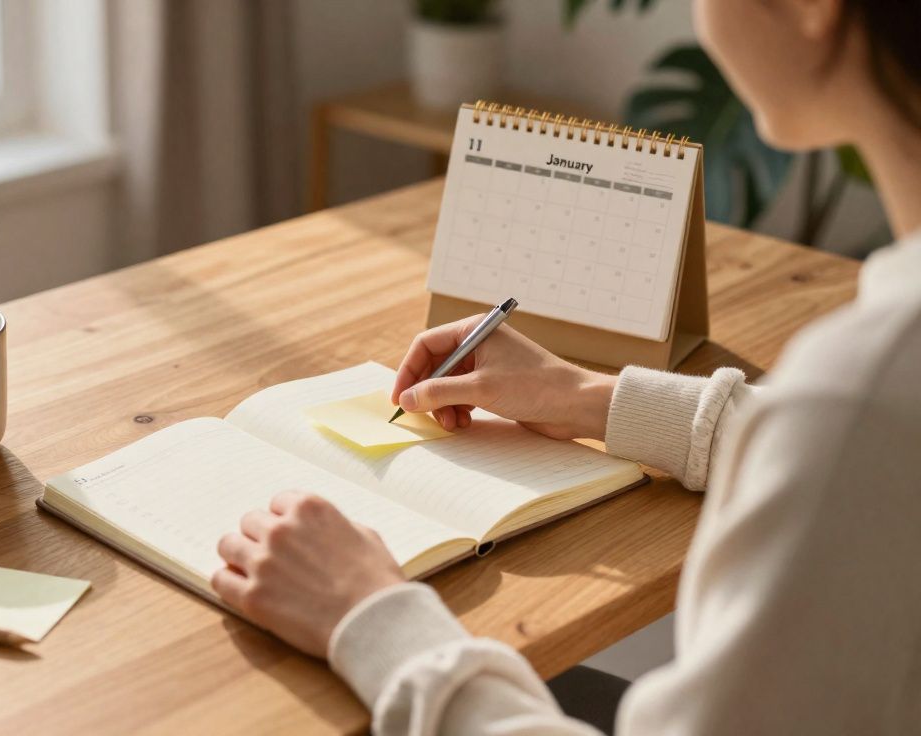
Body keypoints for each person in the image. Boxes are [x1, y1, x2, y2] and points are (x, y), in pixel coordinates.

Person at [210, 0, 921, 732]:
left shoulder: (862, 397)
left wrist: (371, 617)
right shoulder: (870, 397)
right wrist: (591, 396)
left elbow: (856, 437)